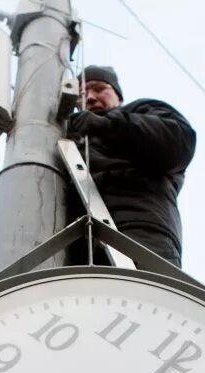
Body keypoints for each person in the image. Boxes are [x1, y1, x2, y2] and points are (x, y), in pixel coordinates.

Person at [66, 65, 196, 268]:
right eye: (83, 94)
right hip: (76, 242)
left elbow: (178, 143)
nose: (90, 97)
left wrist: (108, 125)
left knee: (144, 294)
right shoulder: (73, 139)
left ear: (118, 97)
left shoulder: (141, 112)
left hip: (140, 230)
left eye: (99, 88)